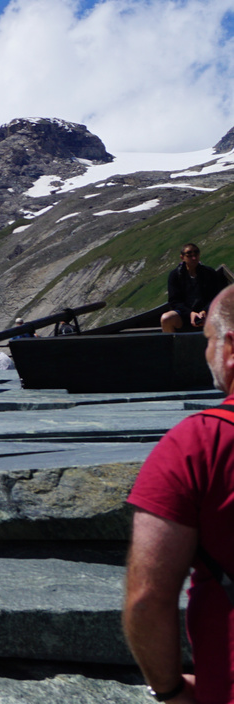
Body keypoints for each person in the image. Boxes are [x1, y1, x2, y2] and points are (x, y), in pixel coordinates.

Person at [124, 284, 234, 703]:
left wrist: (168, 688)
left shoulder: (197, 443)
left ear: (229, 346)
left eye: (207, 341)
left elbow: (147, 599)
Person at [163, 243, 223, 334]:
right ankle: (171, 346)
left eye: (196, 255)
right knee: (166, 318)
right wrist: (190, 313)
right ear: (182, 257)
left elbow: (216, 297)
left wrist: (205, 311)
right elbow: (174, 301)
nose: (194, 258)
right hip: (184, 315)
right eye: (189, 256)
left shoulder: (209, 272)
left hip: (207, 313)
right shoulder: (175, 275)